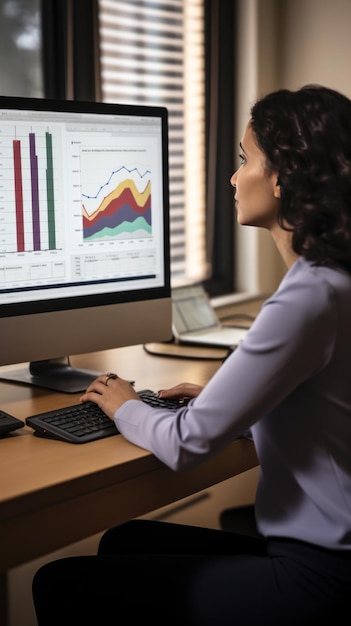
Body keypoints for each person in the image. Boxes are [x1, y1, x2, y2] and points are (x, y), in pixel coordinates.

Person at [32, 85, 351, 625]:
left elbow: (185, 445)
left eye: (245, 159)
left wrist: (124, 404)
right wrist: (229, 405)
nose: (233, 176)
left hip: (318, 578)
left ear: (281, 179)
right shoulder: (333, 281)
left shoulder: (308, 297)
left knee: (59, 582)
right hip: (331, 561)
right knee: (125, 541)